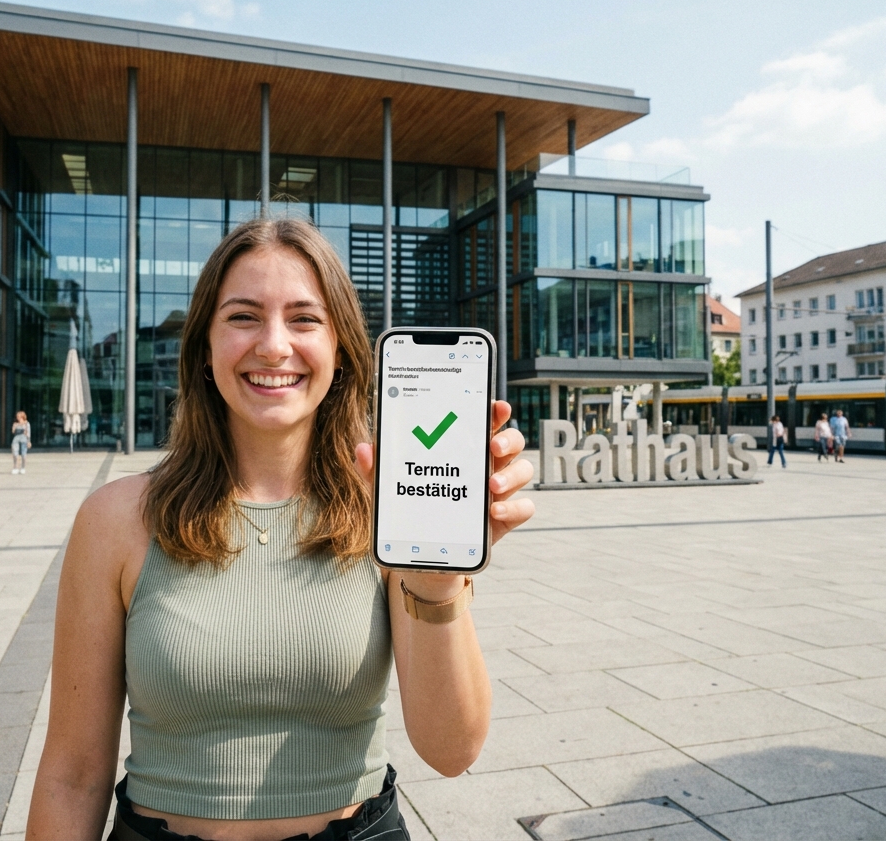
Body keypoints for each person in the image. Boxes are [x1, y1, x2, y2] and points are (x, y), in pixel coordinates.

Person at [26, 218, 536, 841]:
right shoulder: (115, 519)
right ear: (205, 350)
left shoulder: (387, 509)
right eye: (243, 317)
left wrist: (436, 586)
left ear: (342, 349)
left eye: (304, 319)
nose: (273, 345)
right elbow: (71, 775)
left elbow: (452, 750)